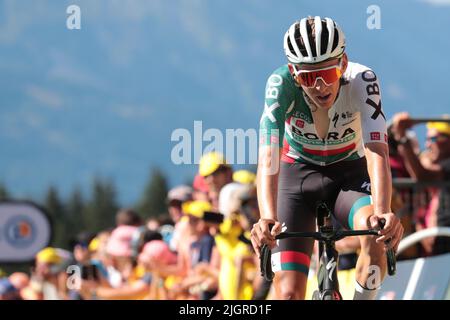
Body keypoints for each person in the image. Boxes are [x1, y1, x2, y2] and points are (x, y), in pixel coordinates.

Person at [251, 16, 403, 300]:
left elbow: (377, 151)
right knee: (287, 294)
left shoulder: (362, 79)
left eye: (328, 74)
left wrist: (383, 211)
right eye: (309, 77)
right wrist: (266, 218)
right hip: (296, 176)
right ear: (293, 74)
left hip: (350, 174)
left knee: (375, 235)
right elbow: (268, 156)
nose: (320, 86)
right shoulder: (279, 85)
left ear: (343, 64)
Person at [390, 114, 450, 255]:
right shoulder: (438, 164)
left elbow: (422, 175)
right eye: (427, 139)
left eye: (434, 139)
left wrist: (403, 137)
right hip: (436, 239)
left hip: (445, 239)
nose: (428, 144)